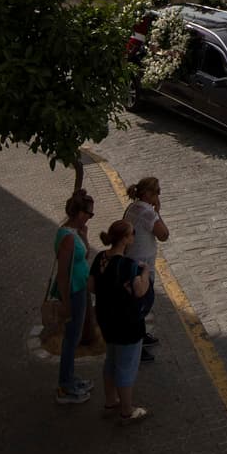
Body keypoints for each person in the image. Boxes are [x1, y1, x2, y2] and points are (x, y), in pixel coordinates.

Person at [90, 220, 151, 423]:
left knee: (111, 360)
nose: (134, 237)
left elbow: (91, 285)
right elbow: (140, 290)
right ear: (125, 239)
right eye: (132, 233)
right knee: (126, 365)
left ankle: (110, 400)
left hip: (106, 319)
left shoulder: (100, 258)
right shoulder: (128, 265)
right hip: (127, 322)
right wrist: (145, 273)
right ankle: (127, 410)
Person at [51, 191, 95, 405]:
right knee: (71, 339)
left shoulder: (75, 232)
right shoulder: (67, 238)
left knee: (74, 338)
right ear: (78, 212)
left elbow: (85, 254)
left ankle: (69, 378)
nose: (90, 216)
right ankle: (64, 386)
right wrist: (66, 303)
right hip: (73, 292)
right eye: (89, 213)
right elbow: (62, 274)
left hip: (80, 288)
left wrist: (85, 235)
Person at [122, 177, 169, 360]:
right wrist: (158, 212)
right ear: (147, 194)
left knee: (137, 304)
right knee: (140, 306)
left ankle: (141, 335)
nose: (159, 194)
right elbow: (164, 234)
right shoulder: (148, 213)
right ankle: (136, 346)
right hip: (141, 266)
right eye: (157, 191)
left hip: (131, 261)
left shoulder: (132, 208)